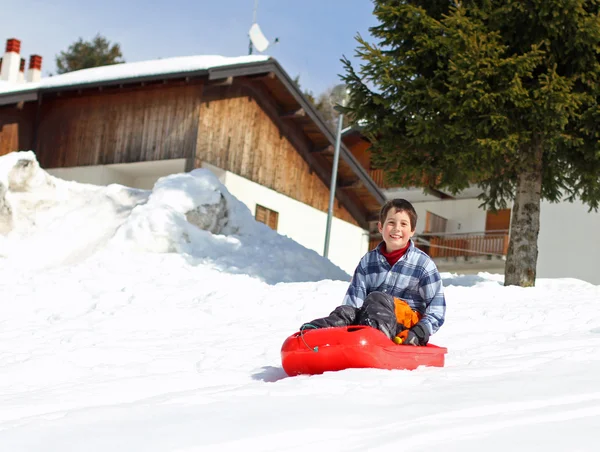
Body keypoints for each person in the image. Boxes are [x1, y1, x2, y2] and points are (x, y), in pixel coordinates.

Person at [300, 199, 446, 346]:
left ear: (412, 230)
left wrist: (419, 332)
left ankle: (374, 340)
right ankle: (318, 335)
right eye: (391, 223)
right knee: (347, 311)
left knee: (377, 298)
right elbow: (354, 301)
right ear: (381, 227)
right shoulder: (368, 262)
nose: (396, 229)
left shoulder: (423, 264)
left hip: (404, 328)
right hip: (371, 318)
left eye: (403, 224)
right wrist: (349, 316)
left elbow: (437, 309)